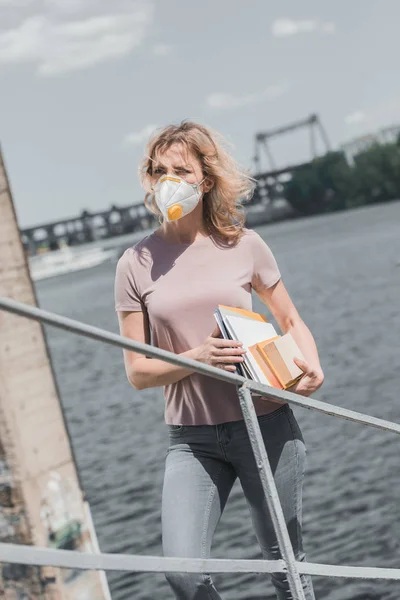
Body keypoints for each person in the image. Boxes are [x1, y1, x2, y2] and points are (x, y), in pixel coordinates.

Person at [114, 121, 324, 600]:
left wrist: (311, 364)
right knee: (183, 575)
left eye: (180, 170)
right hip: (192, 441)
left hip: (265, 424)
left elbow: (290, 319)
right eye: (159, 170)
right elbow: (137, 372)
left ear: (204, 181)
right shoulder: (133, 263)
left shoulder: (243, 244)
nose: (168, 179)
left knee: (288, 571)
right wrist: (197, 357)